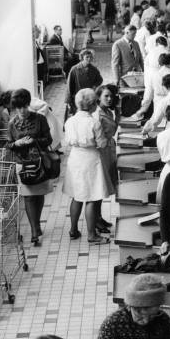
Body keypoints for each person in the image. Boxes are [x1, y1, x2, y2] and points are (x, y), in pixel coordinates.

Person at [63, 89, 111, 244]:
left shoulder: (70, 121)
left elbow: (68, 141)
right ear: (92, 105)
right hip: (91, 158)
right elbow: (102, 144)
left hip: (75, 158)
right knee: (92, 196)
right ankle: (92, 235)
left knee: (77, 195)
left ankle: (73, 229)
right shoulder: (93, 122)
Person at [6, 89, 53, 246]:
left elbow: (49, 139)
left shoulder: (40, 119)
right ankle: (34, 230)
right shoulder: (12, 123)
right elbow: (8, 144)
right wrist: (17, 144)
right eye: (19, 107)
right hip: (23, 164)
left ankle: (37, 223)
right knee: (28, 196)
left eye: (25, 106)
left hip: (40, 163)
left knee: (39, 195)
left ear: (29, 105)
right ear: (15, 107)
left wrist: (34, 141)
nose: (22, 110)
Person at [93, 85, 119, 231]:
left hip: (109, 150)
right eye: (106, 96)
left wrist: (119, 112)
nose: (110, 99)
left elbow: (114, 129)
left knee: (104, 186)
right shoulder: (97, 114)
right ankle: (96, 220)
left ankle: (99, 217)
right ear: (98, 98)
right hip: (102, 152)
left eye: (111, 96)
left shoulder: (108, 111)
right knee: (100, 186)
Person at [66, 49, 103, 115]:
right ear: (82, 57)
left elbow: (100, 80)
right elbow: (69, 86)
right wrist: (68, 101)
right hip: (78, 99)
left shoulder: (94, 69)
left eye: (91, 57)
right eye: (87, 57)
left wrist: (95, 86)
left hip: (89, 99)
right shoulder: (75, 69)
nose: (89, 59)